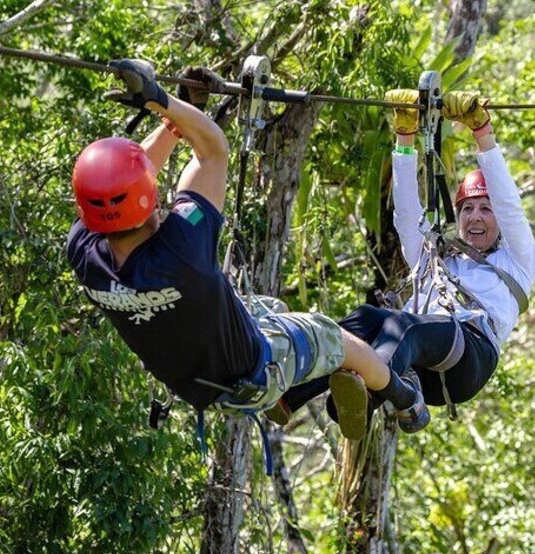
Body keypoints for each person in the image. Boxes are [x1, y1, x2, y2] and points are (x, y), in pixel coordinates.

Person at [65, 60, 429, 442]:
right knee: (335, 337)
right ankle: (406, 399)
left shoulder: (85, 254)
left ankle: (290, 393)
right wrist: (162, 100)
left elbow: (125, 182)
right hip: (256, 372)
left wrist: (175, 119)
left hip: (203, 388)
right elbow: (211, 152)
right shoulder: (179, 251)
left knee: (268, 309)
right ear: (148, 199)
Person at [266, 89, 535, 427]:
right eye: (467, 209)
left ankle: (391, 399)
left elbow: (509, 205)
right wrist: (404, 138)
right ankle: (288, 394)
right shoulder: (438, 261)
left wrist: (482, 134)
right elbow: (408, 215)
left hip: (470, 357)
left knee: (401, 327)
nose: (475, 217)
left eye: (485, 208)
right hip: (419, 365)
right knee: (365, 320)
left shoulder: (516, 260)